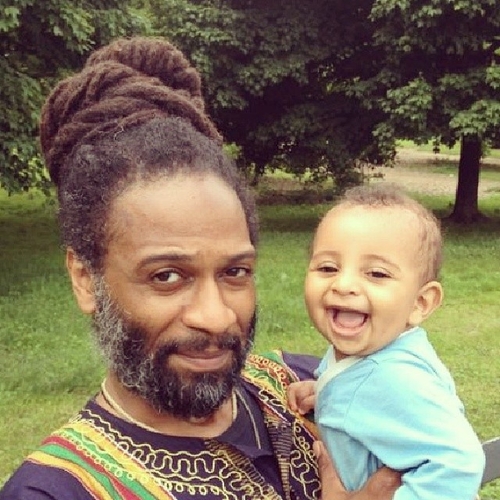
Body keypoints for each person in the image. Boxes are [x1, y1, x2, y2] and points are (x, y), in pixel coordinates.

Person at [0, 37, 400, 499]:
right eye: (166, 276)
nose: (216, 317)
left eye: (235, 272)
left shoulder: (309, 388)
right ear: (85, 279)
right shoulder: (56, 491)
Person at [288, 184, 485, 500]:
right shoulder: (376, 355)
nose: (344, 284)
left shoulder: (393, 379)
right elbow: (366, 397)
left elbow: (459, 463)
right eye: (328, 267)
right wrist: (324, 392)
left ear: (420, 303)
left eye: (377, 274)